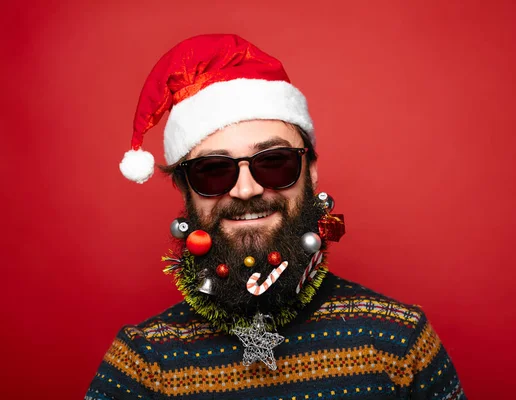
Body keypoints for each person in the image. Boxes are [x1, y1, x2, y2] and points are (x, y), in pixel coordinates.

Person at [86, 34, 466, 400]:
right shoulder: (143, 364)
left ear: (311, 171)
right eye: (213, 170)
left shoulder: (398, 340)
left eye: (273, 162)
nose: (247, 190)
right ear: (185, 189)